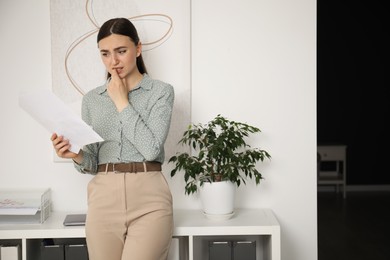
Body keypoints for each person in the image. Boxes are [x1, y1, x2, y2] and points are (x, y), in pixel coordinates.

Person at [51, 17, 174, 260]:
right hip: (103, 199)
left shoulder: (161, 92)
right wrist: (75, 154)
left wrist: (121, 101)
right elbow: (92, 163)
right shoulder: (92, 100)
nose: (113, 61)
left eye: (121, 51)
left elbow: (151, 149)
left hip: (149, 199)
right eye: (105, 54)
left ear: (137, 49)